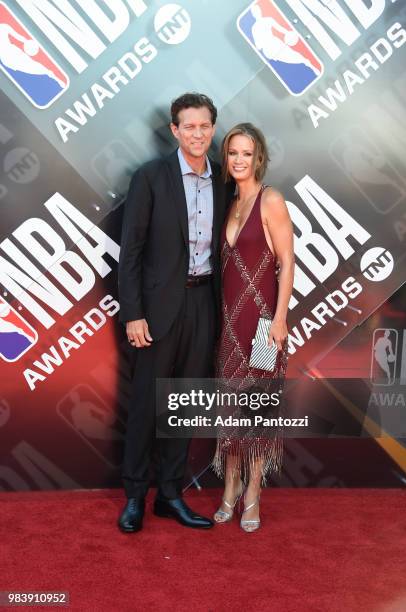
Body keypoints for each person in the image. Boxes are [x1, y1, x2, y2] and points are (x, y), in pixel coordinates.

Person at [118, 93, 230, 533]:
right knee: (148, 403)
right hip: (158, 308)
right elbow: (131, 252)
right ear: (174, 130)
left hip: (204, 302)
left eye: (204, 126)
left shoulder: (223, 180)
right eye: (189, 127)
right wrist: (134, 313)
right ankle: (134, 497)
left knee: (184, 404)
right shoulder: (150, 177)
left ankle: (169, 495)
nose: (198, 134)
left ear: (213, 128)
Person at [212, 123, 294, 532]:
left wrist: (279, 319)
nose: (239, 160)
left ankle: (253, 492)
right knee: (230, 411)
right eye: (232, 153)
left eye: (246, 153)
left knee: (257, 412)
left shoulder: (270, 200)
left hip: (263, 325)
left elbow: (287, 262)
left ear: (258, 156)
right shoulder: (229, 203)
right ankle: (230, 486)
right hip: (230, 325)